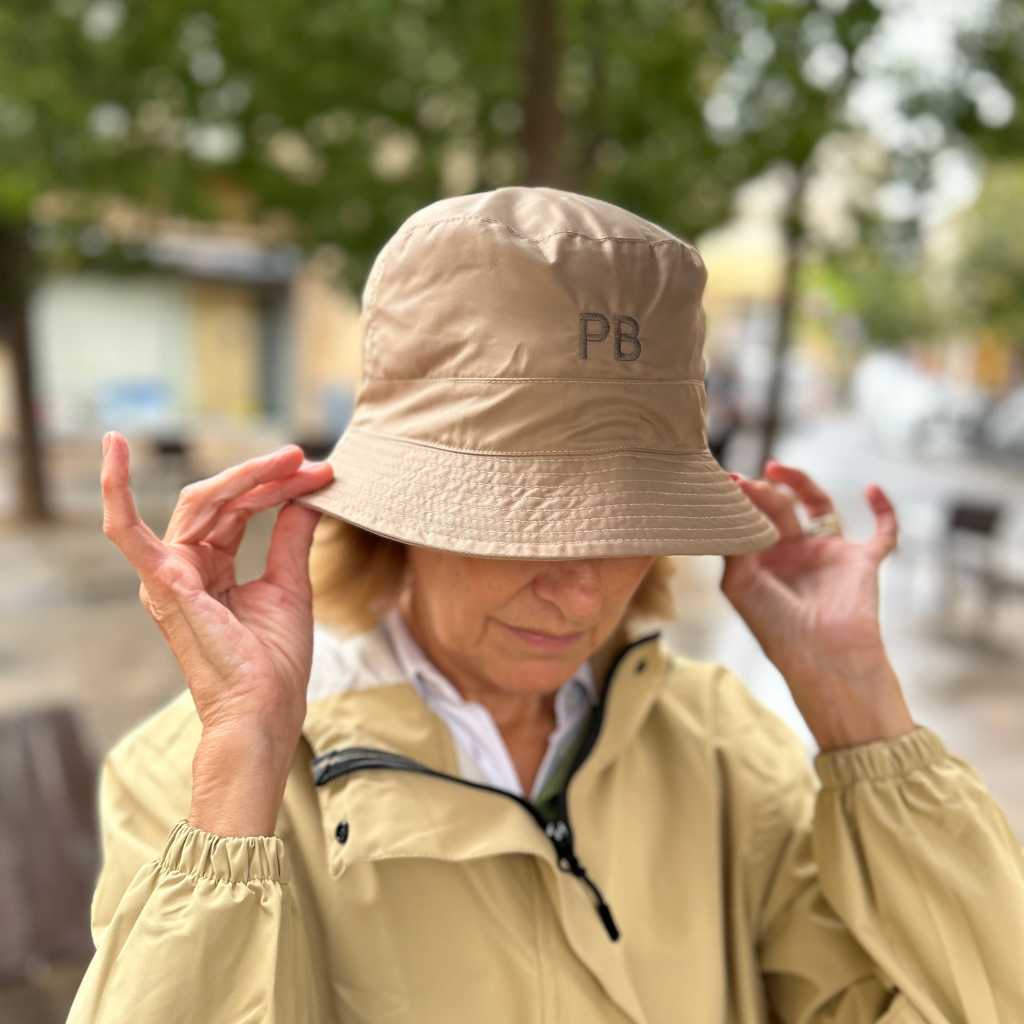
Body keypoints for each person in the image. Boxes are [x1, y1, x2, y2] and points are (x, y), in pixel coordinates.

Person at [71, 187, 1023, 1023]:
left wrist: (854, 699)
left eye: (624, 523)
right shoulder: (200, 777)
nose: (578, 588)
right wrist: (239, 774)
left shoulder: (722, 749)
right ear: (404, 519)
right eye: (521, 526)